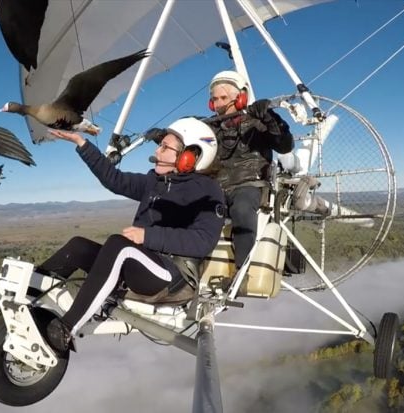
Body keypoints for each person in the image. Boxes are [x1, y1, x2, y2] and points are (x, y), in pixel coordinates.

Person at [41, 117, 226, 353]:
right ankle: (29, 293)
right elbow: (115, 180)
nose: (157, 150)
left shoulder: (208, 192)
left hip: (173, 277)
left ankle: (66, 328)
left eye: (165, 147)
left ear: (190, 157)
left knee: (121, 246)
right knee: (79, 247)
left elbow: (202, 242)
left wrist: (147, 236)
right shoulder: (156, 181)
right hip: (143, 264)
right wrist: (82, 143)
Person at [205, 70, 295, 270]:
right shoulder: (209, 127)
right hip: (216, 186)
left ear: (241, 98)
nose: (218, 104)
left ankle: (242, 270)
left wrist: (272, 119)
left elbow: (284, 146)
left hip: (249, 184)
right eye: (214, 99)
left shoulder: (258, 123)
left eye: (223, 98)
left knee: (242, 208)